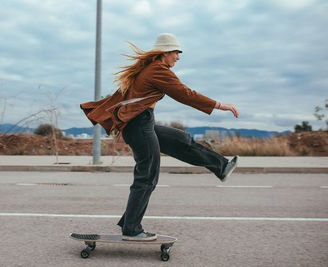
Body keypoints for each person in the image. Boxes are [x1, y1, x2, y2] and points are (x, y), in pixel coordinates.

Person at [80, 33, 239, 241]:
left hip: (142, 123)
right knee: (147, 176)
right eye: (176, 53)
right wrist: (219, 105)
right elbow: (185, 94)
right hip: (139, 126)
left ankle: (221, 166)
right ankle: (131, 229)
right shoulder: (157, 70)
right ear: (165, 52)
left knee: (181, 141)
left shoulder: (151, 70)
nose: (178, 58)